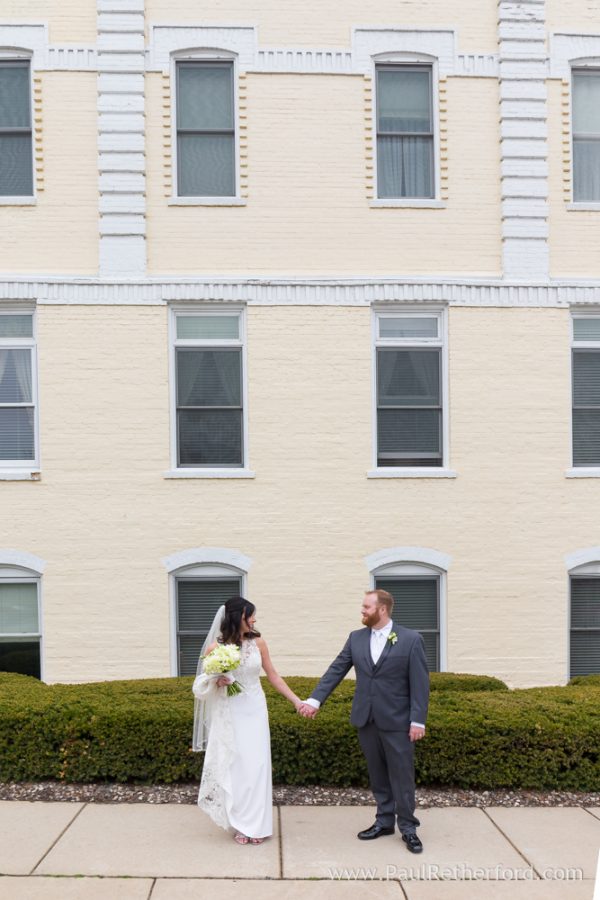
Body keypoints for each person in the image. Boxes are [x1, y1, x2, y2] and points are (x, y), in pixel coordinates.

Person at [298, 589, 429, 853]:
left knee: (402, 775)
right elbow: (337, 668)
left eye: (366, 607)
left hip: (398, 720)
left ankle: (408, 827)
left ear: (382, 609)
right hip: (365, 718)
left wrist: (418, 720)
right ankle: (383, 822)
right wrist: (314, 700)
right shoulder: (356, 638)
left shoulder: (411, 639)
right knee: (378, 774)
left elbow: (420, 683)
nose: (362, 611)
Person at [192, 595, 303, 845]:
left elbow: (273, 676)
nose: (254, 619)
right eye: (249, 615)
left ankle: (258, 825)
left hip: (254, 708)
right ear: (236, 617)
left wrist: (297, 701)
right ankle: (241, 824)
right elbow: (199, 685)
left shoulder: (259, 643)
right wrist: (216, 680)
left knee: (258, 765)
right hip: (230, 711)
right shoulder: (215, 648)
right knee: (237, 767)